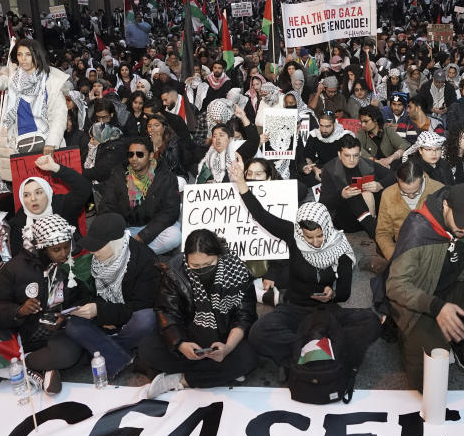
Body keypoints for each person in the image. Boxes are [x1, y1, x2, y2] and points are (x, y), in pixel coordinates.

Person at [232, 161, 381, 376]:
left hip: (326, 312)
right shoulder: (294, 237)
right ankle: (321, 350)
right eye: (309, 237)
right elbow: (262, 216)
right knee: (258, 332)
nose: (316, 242)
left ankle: (304, 355)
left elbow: (345, 291)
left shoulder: (339, 246)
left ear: (327, 228)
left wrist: (333, 294)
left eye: (320, 236)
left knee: (371, 322)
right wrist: (241, 184)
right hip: (294, 308)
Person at [385, 184, 464, 388]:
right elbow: (395, 285)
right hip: (420, 303)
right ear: (445, 205)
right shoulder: (418, 229)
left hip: (453, 289)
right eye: (461, 221)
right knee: (428, 386)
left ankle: (458, 337)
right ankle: (409, 334)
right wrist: (437, 307)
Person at [139, 228, 258, 398]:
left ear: (218, 255)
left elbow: (244, 316)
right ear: (186, 258)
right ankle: (218, 373)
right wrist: (180, 344)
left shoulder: (237, 270)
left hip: (224, 338)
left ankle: (179, 380)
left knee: (249, 357)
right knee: (147, 349)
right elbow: (166, 312)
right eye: (195, 266)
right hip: (189, 336)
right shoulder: (174, 271)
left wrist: (228, 348)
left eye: (208, 264)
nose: (201, 270)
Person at [0, 214, 81, 395]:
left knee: (72, 352)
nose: (63, 253)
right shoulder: (15, 268)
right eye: (56, 249)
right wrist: (19, 311)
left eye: (66, 247)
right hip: (23, 333)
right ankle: (39, 367)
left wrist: (66, 317)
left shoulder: (70, 266)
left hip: (57, 333)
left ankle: (26, 366)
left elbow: (78, 300)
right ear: (42, 248)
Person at [63, 213, 160, 378]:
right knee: (73, 324)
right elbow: (87, 295)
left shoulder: (145, 260)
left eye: (98, 247)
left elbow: (139, 306)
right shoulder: (94, 261)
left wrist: (100, 312)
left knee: (146, 319)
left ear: (115, 242)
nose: (93, 252)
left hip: (129, 322)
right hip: (105, 319)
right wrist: (88, 309)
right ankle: (120, 357)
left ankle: (102, 349)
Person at [0, 39, 70, 182]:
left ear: (37, 55)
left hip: (47, 143)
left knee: (52, 188)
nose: (23, 59)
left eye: (28, 54)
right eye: (19, 54)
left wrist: (52, 142)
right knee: (27, 191)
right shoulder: (12, 79)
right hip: (18, 146)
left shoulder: (51, 80)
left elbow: (59, 115)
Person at [9, 155, 92, 254]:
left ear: (48, 194)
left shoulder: (61, 205)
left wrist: (55, 168)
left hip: (73, 258)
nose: (33, 198)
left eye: (38, 192)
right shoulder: (21, 219)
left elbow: (83, 188)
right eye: (26, 195)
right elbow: (17, 253)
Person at [318, 134, 390, 233]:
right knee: (353, 192)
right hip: (346, 220)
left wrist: (380, 185)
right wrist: (341, 195)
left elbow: (393, 175)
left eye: (355, 155)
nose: (351, 160)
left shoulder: (366, 163)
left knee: (387, 188)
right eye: (347, 155)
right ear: (339, 154)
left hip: (371, 215)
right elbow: (324, 203)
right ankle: (377, 232)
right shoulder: (329, 169)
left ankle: (378, 227)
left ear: (360, 153)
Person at [375, 157, 443, 261]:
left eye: (416, 192)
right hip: (403, 249)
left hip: (432, 248)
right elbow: (383, 233)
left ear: (422, 178)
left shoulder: (439, 190)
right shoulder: (388, 194)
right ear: (397, 180)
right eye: (405, 192)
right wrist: (394, 257)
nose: (411, 196)